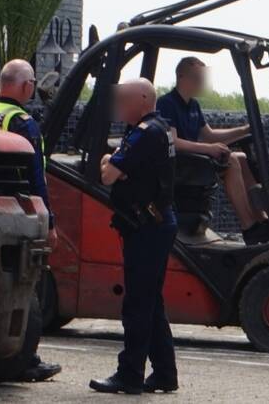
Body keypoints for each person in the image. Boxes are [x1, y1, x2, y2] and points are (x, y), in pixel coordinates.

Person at [0, 60, 62, 382]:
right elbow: (36, 179)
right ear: (26, 86)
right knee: (24, 288)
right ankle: (26, 358)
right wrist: (48, 221)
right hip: (15, 215)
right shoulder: (23, 123)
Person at [90, 79, 179, 395]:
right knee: (151, 302)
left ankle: (129, 375)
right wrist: (117, 163)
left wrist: (111, 160)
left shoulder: (144, 132)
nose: (120, 106)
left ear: (143, 98)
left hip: (146, 226)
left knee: (137, 304)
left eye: (125, 99)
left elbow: (107, 174)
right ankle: (165, 373)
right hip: (157, 222)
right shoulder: (160, 128)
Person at [156, 57, 269, 245]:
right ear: (182, 77)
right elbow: (173, 142)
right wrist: (209, 149)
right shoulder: (167, 103)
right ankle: (248, 226)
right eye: (198, 77)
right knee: (231, 160)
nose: (202, 82)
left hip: (192, 161)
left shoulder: (193, 105)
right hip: (178, 166)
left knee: (241, 157)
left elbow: (209, 135)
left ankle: (262, 219)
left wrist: (245, 129)